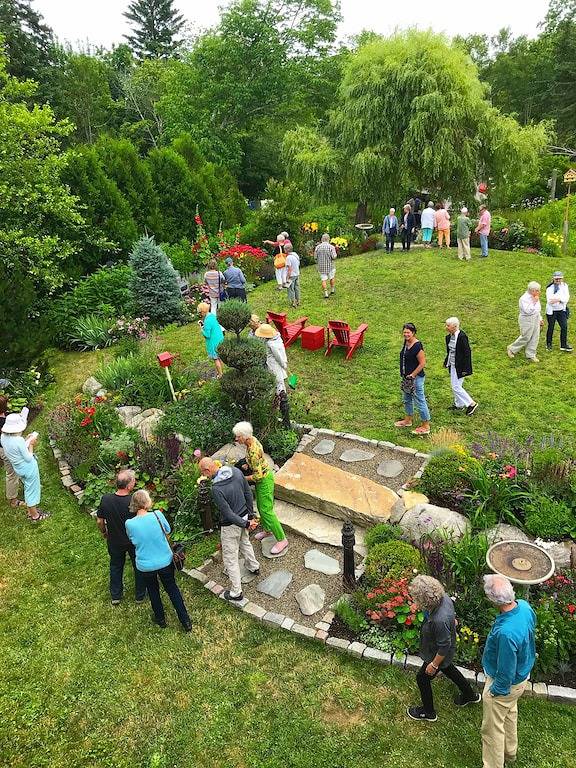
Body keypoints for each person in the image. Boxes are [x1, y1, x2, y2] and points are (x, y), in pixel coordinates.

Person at [406, 575, 481, 722]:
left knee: (422, 678)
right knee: (448, 668)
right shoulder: (444, 597)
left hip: (438, 652)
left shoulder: (438, 620)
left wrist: (434, 664)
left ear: (424, 600)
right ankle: (470, 695)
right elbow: (450, 617)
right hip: (444, 647)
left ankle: (428, 713)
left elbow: (444, 645)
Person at [481, 575, 536, 768]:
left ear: (493, 599)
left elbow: (505, 670)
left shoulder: (506, 633)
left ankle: (494, 765)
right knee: (510, 713)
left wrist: (496, 691)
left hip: (507, 684)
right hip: (522, 678)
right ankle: (509, 752)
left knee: (492, 729)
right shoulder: (525, 606)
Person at [125, 489, 192, 631]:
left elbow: (132, 539)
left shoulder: (129, 523)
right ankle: (185, 621)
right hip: (165, 561)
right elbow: (167, 530)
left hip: (145, 564)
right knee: (172, 589)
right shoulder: (157, 515)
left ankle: (160, 619)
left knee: (153, 590)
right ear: (147, 502)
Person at [199, 457, 260, 602]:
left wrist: (244, 524)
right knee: (245, 542)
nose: (204, 476)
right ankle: (254, 567)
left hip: (231, 525)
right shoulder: (236, 471)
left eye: (203, 473)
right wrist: (249, 517)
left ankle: (236, 592)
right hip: (244, 516)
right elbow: (248, 494)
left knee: (230, 558)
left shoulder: (216, 489)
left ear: (207, 470)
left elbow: (227, 513)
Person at [232, 421, 288, 555]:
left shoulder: (253, 451)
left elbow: (258, 476)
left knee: (266, 510)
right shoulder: (252, 440)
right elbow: (252, 460)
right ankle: (268, 530)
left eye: (238, 436)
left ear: (244, 436)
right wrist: (247, 464)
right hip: (261, 480)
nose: (236, 439)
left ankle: (282, 539)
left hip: (264, 481)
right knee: (261, 507)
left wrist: (242, 478)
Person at [96, 469, 146, 605]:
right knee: (138, 565)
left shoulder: (106, 499)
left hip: (114, 540)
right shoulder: (133, 501)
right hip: (133, 541)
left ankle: (116, 596)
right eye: (133, 480)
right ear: (129, 485)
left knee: (116, 566)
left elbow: (100, 521)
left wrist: (104, 532)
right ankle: (140, 596)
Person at [0, 407, 48, 522]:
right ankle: (35, 516)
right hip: (28, 467)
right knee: (32, 490)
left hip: (18, 467)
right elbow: (28, 457)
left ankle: (30, 511)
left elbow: (14, 451)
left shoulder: (3, 437)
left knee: (27, 487)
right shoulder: (19, 440)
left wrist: (26, 440)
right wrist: (31, 444)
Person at [395, 323, 431, 435]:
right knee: (407, 399)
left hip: (416, 378)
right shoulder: (406, 342)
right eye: (404, 332)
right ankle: (408, 420)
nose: (406, 334)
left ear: (413, 333)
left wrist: (413, 375)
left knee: (420, 401)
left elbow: (422, 363)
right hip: (406, 377)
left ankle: (426, 426)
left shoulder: (417, 346)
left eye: (408, 332)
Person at [254, 323, 290, 428]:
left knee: (280, 390)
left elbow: (278, 357)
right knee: (279, 389)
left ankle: (285, 421)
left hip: (274, 368)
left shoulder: (271, 344)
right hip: (277, 367)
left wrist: (283, 365)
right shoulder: (277, 339)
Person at [444, 317, 478, 415]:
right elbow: (450, 351)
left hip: (461, 367)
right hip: (453, 365)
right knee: (456, 385)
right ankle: (459, 404)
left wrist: (465, 369)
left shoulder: (462, 336)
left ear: (454, 326)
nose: (446, 327)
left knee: (455, 387)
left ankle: (471, 403)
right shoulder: (448, 337)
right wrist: (447, 362)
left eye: (448, 325)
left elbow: (467, 353)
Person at [507, 281, 543, 362]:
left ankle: (531, 354)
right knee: (526, 336)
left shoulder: (535, 296)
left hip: (535, 317)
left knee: (535, 336)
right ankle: (512, 349)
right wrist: (534, 302)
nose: (539, 292)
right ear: (532, 290)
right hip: (527, 319)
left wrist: (540, 318)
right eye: (537, 290)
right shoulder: (524, 299)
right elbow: (527, 311)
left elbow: (538, 309)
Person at [0, 395, 23, 510]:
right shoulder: (2, 423)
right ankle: (13, 500)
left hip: (5, 448)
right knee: (11, 474)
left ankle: (23, 485)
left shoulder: (4, 417)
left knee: (17, 469)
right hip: (6, 449)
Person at [545, 270, 572, 352]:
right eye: (556, 279)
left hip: (561, 310)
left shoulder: (565, 286)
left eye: (560, 279)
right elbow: (550, 301)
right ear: (553, 279)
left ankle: (563, 345)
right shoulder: (550, 288)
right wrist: (560, 299)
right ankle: (548, 344)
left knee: (564, 327)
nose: (558, 281)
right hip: (552, 311)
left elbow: (566, 298)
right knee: (551, 327)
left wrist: (559, 299)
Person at [198, 302, 224, 377]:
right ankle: (221, 370)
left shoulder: (207, 320)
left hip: (213, 342)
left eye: (200, 312)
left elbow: (207, 335)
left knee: (216, 359)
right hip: (219, 338)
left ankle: (220, 374)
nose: (200, 314)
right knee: (219, 357)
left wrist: (201, 329)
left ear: (203, 312)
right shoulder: (212, 315)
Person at [314, 233, 337, 299]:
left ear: (322, 239)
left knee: (323, 280)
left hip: (321, 267)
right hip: (330, 266)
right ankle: (332, 289)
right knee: (332, 277)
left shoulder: (317, 247)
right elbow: (334, 257)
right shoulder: (331, 247)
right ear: (328, 239)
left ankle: (326, 293)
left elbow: (315, 257)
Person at [285, 243, 301, 308]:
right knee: (296, 287)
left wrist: (287, 277)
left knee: (291, 289)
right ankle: (298, 301)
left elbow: (289, 269)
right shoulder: (295, 255)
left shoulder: (288, 257)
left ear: (286, 250)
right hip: (297, 273)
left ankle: (293, 302)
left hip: (291, 275)